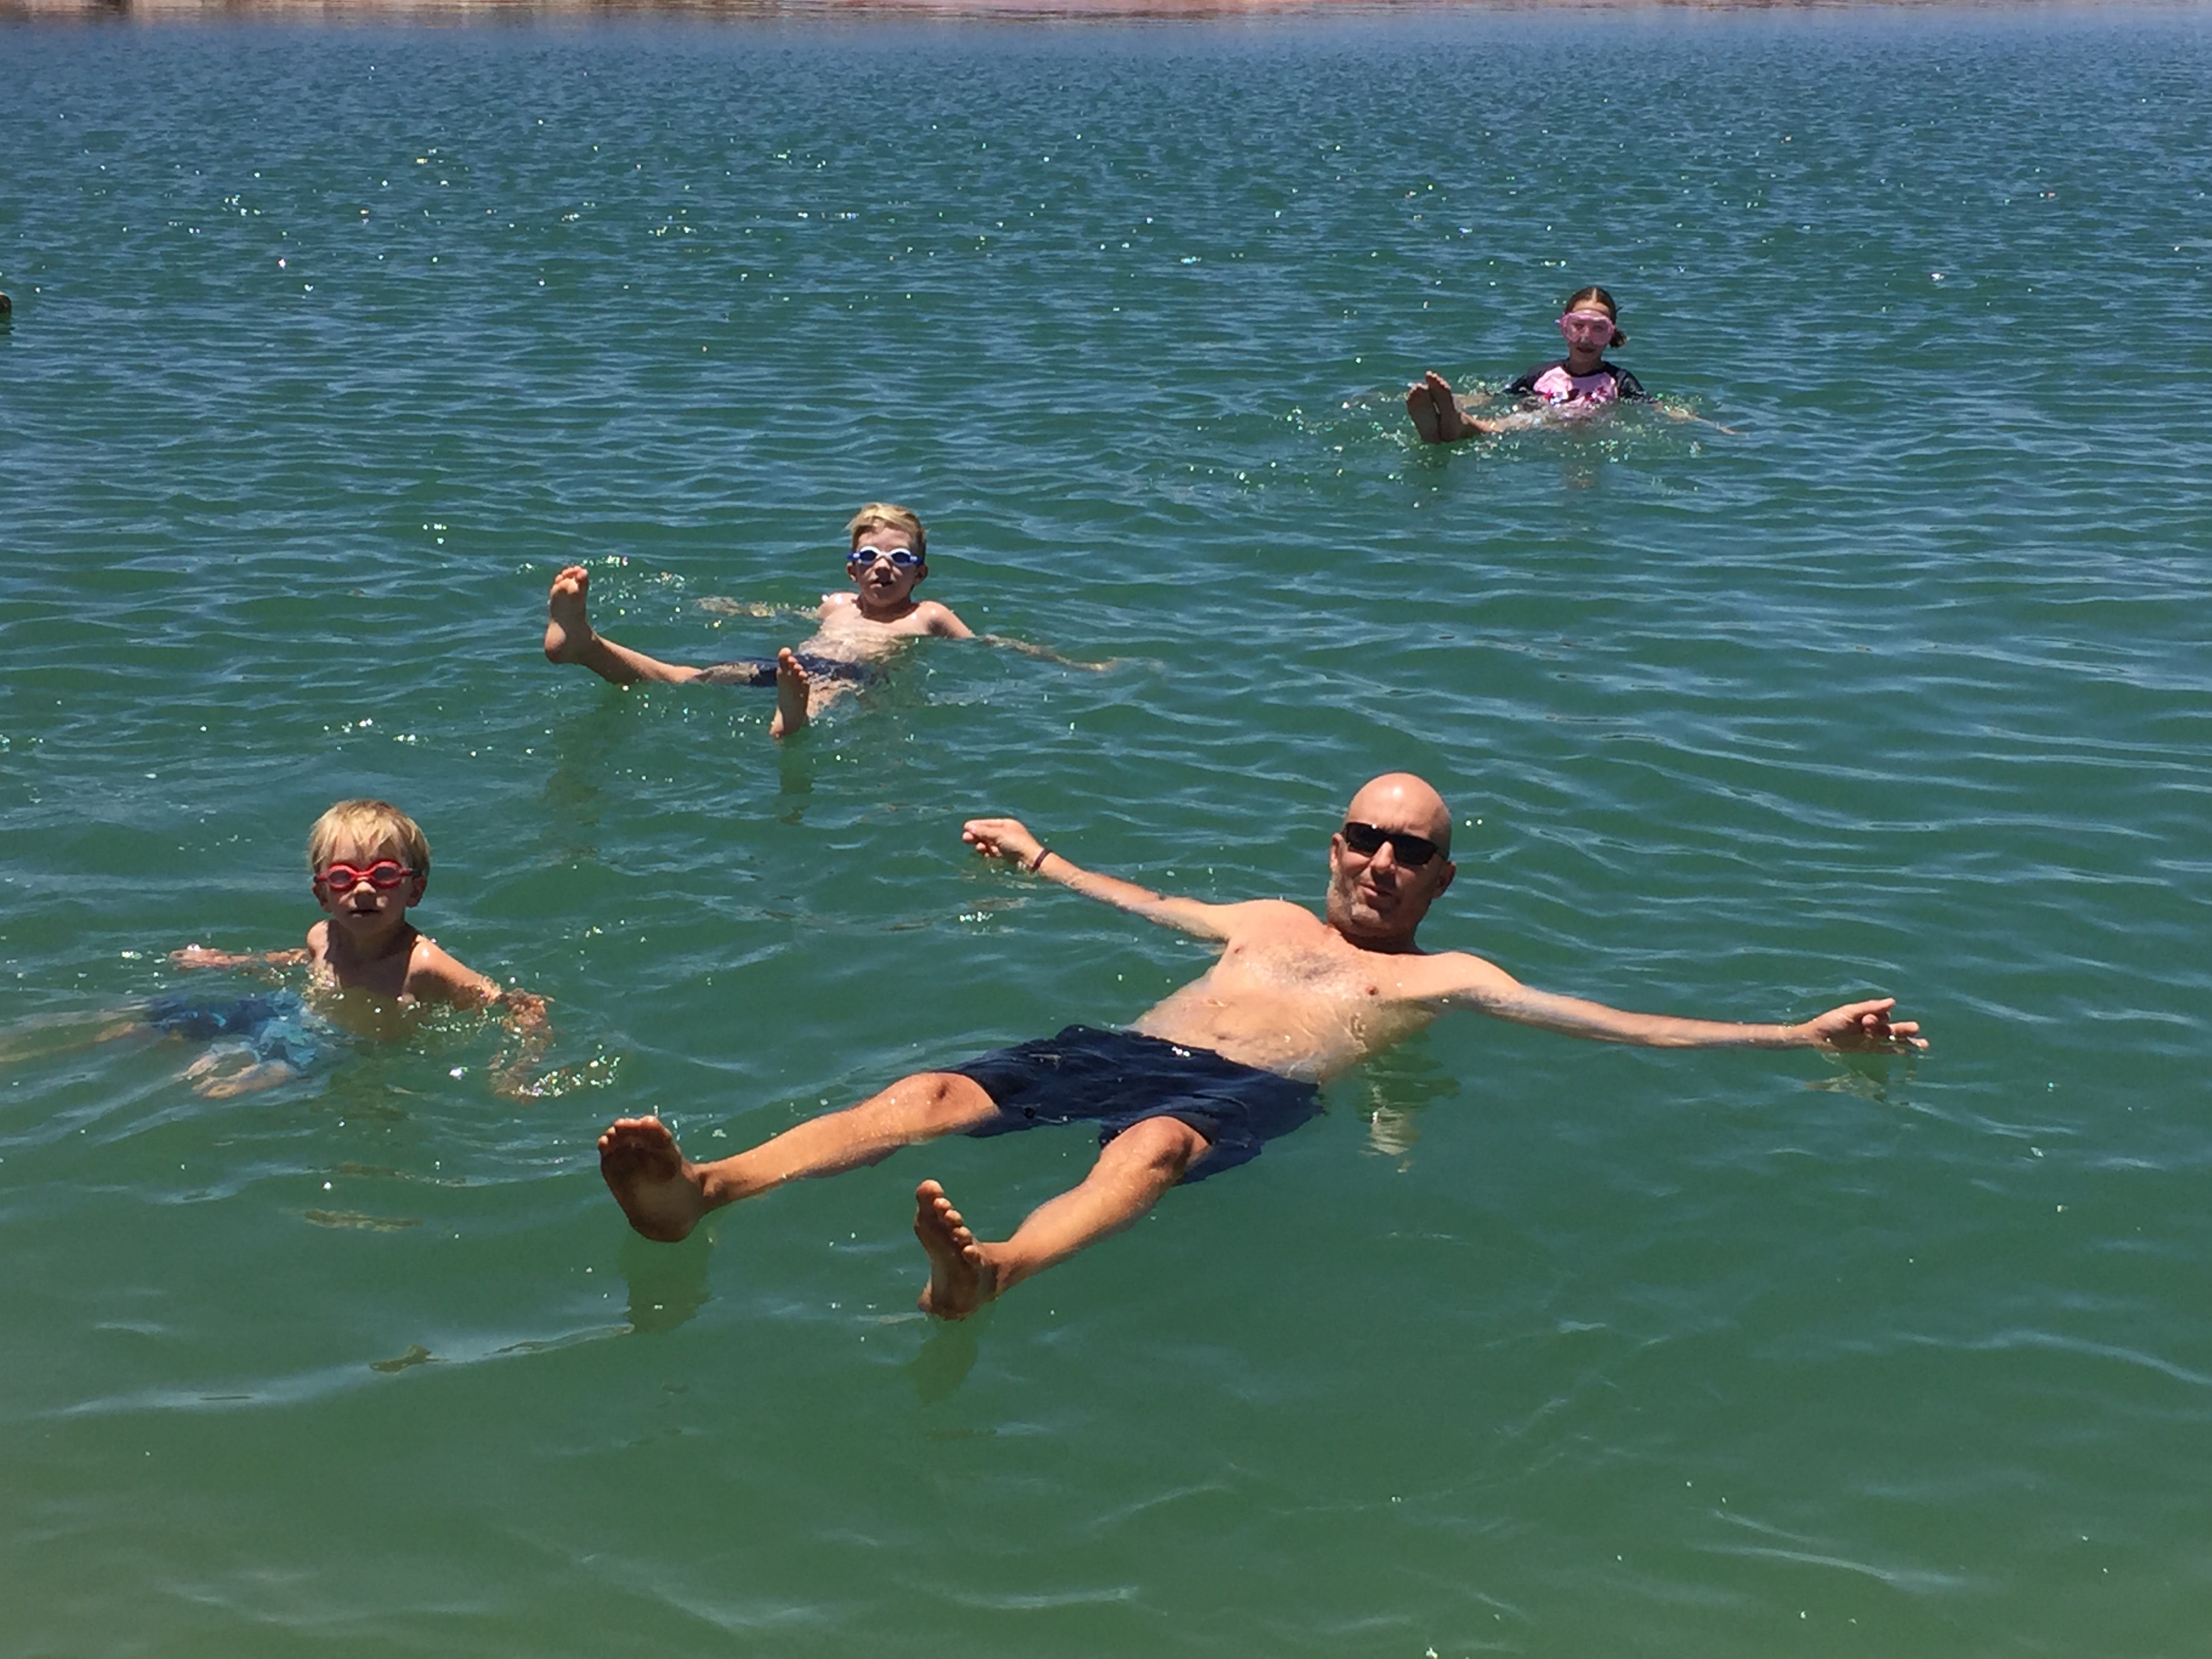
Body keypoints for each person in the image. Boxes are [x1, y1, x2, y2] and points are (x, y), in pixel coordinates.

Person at [596, 773, 1923, 1319]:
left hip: (1245, 1091)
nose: (1382, 860)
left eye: (1411, 849)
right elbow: (1142, 901)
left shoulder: (1447, 973)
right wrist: (1040, 856)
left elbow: (1620, 1024)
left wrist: (1792, 1033)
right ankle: (705, 1189)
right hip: (1124, 1042)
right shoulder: (1266, 916)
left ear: (1441, 878)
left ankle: (994, 1268)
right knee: (929, 1087)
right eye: (1365, 837)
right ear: (1334, 845)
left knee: (1153, 1148)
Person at [163, 798, 549, 1097]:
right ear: (323, 895)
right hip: (288, 1010)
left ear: (414, 890)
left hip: (338, 1044)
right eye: (343, 877)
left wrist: (514, 1071)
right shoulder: (322, 936)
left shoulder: (422, 965)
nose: (363, 888)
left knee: (215, 1090)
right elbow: (297, 958)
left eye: (384, 874)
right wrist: (230, 961)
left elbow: (520, 1004)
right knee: (164, 1020)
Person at [543, 502, 974, 738]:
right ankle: (585, 644)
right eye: (869, 556)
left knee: (825, 693)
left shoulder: (927, 615)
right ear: (852, 570)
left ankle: (792, 719)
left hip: (854, 674)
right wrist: (734, 608)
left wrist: (1017, 649)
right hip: (794, 666)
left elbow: (980, 647)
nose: (883, 566)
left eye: (899, 558)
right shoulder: (838, 605)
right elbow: (785, 614)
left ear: (919, 574)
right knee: (687, 677)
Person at [1408, 286, 1714, 443]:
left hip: (1571, 430)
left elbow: (1657, 409)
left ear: (1611, 335)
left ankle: (1455, 424)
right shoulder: (1541, 375)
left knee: (1518, 426)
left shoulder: (1620, 381)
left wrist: (1708, 426)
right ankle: (1449, 417)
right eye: (1577, 326)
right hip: (1539, 420)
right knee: (1517, 421)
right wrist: (1460, 397)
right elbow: (1497, 397)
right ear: (1564, 329)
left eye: (1598, 329)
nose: (1586, 338)